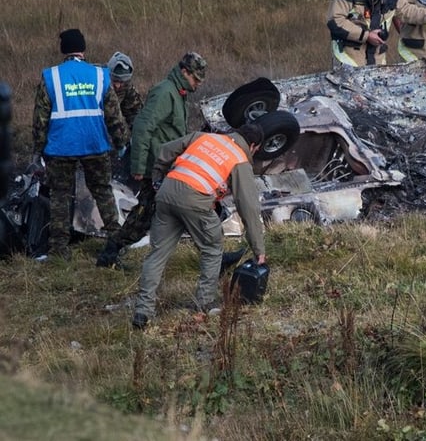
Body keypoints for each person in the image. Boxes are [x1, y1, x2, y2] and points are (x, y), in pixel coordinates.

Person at [131, 124, 267, 329]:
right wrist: (259, 250)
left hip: (167, 193)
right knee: (212, 248)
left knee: (157, 254)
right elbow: (248, 206)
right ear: (253, 146)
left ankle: (142, 311)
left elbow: (164, 151)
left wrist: (158, 180)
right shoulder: (240, 159)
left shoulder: (204, 137)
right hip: (195, 200)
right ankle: (203, 304)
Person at [96, 52, 206, 270]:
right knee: (177, 208)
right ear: (184, 72)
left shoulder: (178, 93)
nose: (198, 84)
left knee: (146, 214)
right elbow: (142, 127)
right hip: (157, 167)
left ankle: (110, 252)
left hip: (166, 165)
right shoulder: (165, 93)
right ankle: (213, 255)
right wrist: (137, 166)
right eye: (196, 79)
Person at [32, 28, 128, 260]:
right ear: (83, 49)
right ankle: (116, 242)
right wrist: (121, 142)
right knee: (103, 192)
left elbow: (40, 119)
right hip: (95, 144)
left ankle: (59, 250)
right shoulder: (100, 75)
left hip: (60, 147)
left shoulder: (51, 77)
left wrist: (38, 150)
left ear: (63, 50)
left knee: (60, 197)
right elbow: (114, 116)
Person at [106, 51, 143, 128]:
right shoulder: (96, 82)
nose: (118, 86)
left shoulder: (127, 87)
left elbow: (135, 112)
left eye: (121, 82)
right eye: (115, 81)